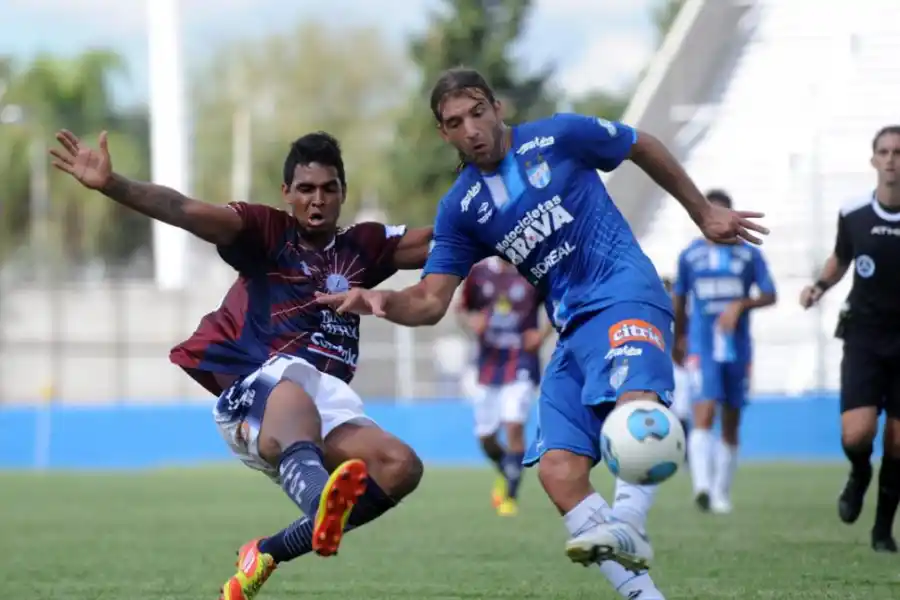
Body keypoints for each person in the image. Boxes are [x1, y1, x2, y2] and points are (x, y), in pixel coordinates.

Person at [317, 67, 768, 600]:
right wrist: (383, 301)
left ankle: (628, 519)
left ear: (496, 108)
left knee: (636, 411)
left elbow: (639, 143)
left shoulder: (560, 136)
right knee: (557, 471)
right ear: (445, 133)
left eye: (478, 112)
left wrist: (702, 211)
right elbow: (432, 301)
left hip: (625, 291)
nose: (472, 129)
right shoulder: (461, 209)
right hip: (571, 328)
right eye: (455, 122)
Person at [49, 129, 435, 598]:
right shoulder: (264, 232)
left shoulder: (363, 247)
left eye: (329, 189)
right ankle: (321, 502)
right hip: (258, 390)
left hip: (324, 398)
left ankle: (269, 550)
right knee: (294, 390)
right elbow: (183, 209)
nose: (317, 200)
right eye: (306, 189)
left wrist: (495, 211)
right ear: (286, 194)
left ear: (343, 193)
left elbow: (444, 239)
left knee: (399, 466)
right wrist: (115, 185)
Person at [800, 125, 900, 553]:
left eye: (899, 151)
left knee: (897, 442)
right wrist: (819, 286)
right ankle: (859, 473)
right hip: (863, 336)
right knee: (856, 435)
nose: (892, 159)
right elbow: (842, 257)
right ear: (873, 159)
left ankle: (882, 531)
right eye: (885, 151)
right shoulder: (855, 211)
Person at [672, 189, 777, 515]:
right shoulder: (690, 256)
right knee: (703, 413)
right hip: (703, 346)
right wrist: (680, 337)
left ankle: (720, 493)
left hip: (738, 348)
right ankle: (702, 486)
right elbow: (679, 298)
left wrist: (741, 304)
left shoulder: (748, 255)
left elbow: (770, 294)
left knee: (731, 421)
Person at [457, 256, 552, 516]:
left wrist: (542, 335)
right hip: (489, 364)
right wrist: (471, 323)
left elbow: (560, 304)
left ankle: (510, 496)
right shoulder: (479, 273)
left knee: (513, 425)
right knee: (486, 438)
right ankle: (508, 470)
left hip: (522, 360)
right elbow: (462, 310)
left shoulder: (534, 269)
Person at [661, 276, 693, 459]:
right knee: (665, 411)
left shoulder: (682, 314)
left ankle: (684, 453)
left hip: (679, 366)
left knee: (681, 411)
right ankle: (666, 451)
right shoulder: (652, 313)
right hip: (660, 365)